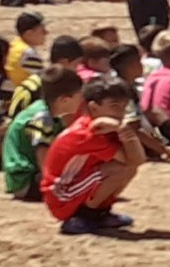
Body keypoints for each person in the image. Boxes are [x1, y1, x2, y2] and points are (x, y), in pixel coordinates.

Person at [41, 77, 146, 235]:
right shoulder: (89, 133)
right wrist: (123, 130)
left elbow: (136, 161)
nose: (121, 113)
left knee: (127, 169)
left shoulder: (104, 127)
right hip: (61, 194)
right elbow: (135, 160)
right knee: (121, 169)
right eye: (115, 107)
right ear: (94, 108)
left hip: (74, 185)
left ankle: (100, 212)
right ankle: (84, 215)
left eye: (124, 108)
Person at [3, 66, 84, 201]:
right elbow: (42, 154)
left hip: (30, 176)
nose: (82, 101)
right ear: (64, 100)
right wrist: (55, 185)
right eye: (80, 96)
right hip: (27, 180)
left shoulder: (48, 111)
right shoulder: (42, 117)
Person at [110, 44, 170, 163]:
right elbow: (133, 128)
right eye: (139, 62)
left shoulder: (125, 85)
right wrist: (164, 150)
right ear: (132, 65)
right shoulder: (122, 90)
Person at [8, 35, 83, 119]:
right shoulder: (35, 89)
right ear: (64, 62)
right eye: (76, 64)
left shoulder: (66, 86)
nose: (77, 69)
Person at [5, 11, 47, 93]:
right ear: (29, 34)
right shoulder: (28, 54)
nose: (46, 32)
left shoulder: (15, 44)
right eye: (42, 30)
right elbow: (47, 80)